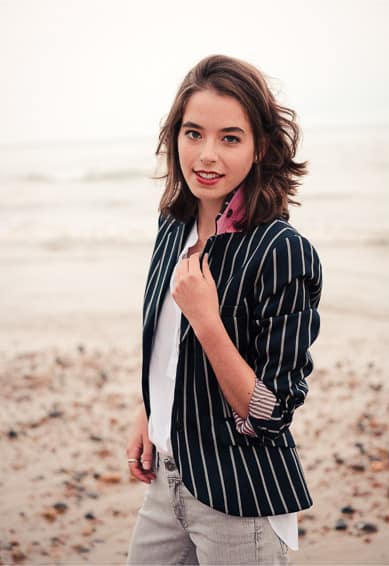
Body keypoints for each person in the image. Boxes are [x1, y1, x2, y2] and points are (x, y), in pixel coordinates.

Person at [125, 54, 322, 566]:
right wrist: (151, 410)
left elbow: (271, 412)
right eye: (193, 134)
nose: (206, 154)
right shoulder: (173, 229)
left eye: (230, 138)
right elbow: (166, 347)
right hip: (168, 481)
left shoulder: (282, 251)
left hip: (240, 498)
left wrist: (207, 322)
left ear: (260, 149)